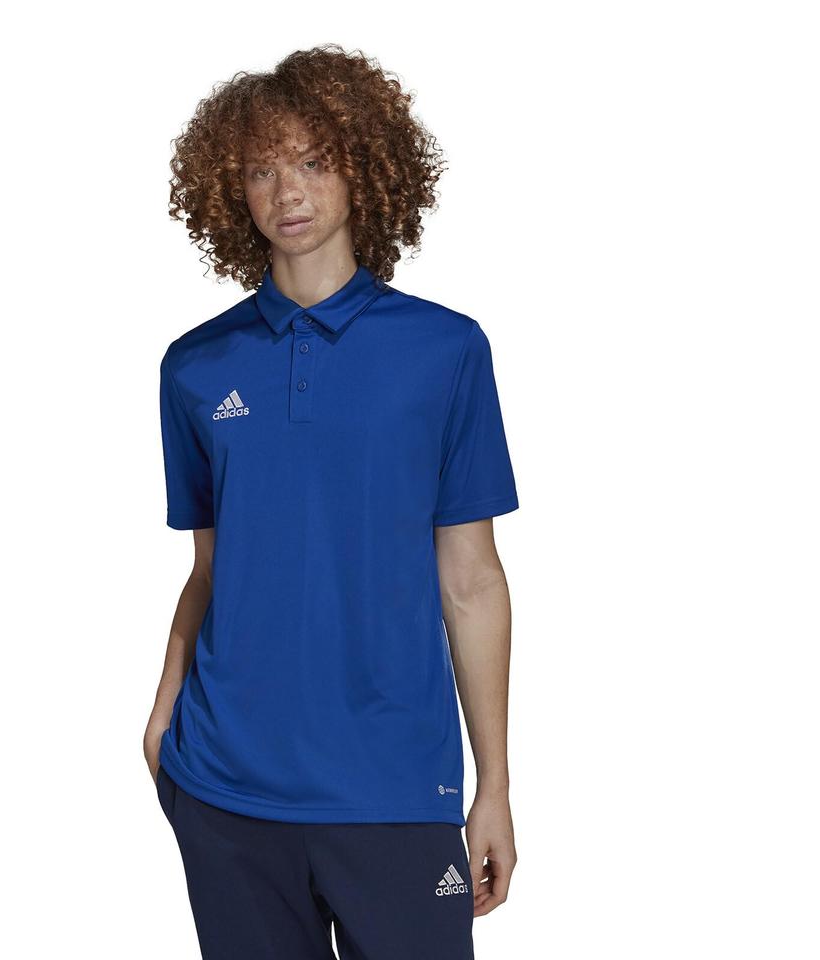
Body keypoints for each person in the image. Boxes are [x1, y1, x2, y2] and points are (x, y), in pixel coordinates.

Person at [145, 44, 518, 959]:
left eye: (313, 161)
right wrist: (163, 710)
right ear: (231, 190)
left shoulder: (446, 351)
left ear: (363, 167)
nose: (288, 191)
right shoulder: (195, 366)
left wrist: (495, 783)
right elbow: (211, 570)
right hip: (227, 786)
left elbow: (471, 582)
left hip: (395, 787)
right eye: (261, 169)